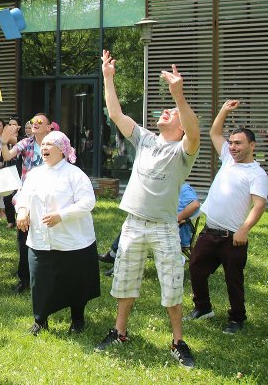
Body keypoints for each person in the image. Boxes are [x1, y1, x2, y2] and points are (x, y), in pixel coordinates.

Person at [94, 50, 200, 370]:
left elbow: (195, 131)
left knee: (171, 284)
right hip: (133, 223)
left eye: (173, 112)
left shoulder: (184, 150)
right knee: (125, 280)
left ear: (180, 127)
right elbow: (115, 113)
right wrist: (107, 77)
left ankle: (178, 341)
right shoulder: (145, 139)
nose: (166, 111)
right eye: (168, 108)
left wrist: (178, 95)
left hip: (165, 226)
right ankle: (120, 331)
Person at [186, 100, 268, 334]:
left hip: (233, 237)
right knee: (196, 268)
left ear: (252, 145)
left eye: (238, 143)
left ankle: (236, 319)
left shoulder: (257, 174)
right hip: (210, 230)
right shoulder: (228, 159)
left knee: (233, 280)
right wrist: (223, 110)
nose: (232, 147)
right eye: (231, 143)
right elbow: (214, 132)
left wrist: (244, 230)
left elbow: (259, 205)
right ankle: (203, 308)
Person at [15, 131, 99, 335]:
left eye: (49, 144)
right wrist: (23, 211)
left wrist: (61, 215)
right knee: (40, 281)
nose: (43, 148)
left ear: (62, 149)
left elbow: (88, 202)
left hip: (71, 241)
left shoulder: (75, 174)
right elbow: (23, 196)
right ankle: (40, 320)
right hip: (40, 240)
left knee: (75, 283)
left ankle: (77, 320)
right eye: (42, 144)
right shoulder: (35, 173)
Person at [98, 183, 201, 275]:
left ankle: (115, 257)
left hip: (173, 232)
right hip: (159, 228)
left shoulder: (183, 187)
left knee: (135, 228)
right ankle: (117, 261)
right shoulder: (164, 188)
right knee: (134, 223)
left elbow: (195, 205)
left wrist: (176, 220)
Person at [1, 113, 53, 295]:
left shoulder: (55, 143)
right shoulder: (26, 143)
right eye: (32, 121)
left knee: (48, 237)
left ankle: (45, 277)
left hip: (49, 198)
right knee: (24, 240)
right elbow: (8, 155)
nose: (34, 124)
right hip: (28, 199)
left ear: (49, 127)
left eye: (40, 121)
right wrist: (3, 142)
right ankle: (24, 279)